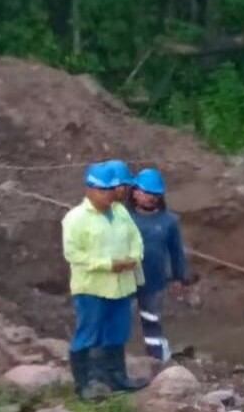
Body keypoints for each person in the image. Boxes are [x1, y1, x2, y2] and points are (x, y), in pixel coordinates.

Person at [61, 161, 144, 398]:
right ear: (89, 190)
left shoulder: (120, 212)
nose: (110, 194)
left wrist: (134, 258)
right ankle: (84, 384)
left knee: (117, 332)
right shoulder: (75, 218)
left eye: (112, 189)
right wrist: (108, 264)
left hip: (121, 286)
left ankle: (117, 377)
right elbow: (73, 254)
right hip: (93, 288)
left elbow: (135, 239)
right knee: (89, 332)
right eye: (104, 190)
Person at [129, 168, 191, 363]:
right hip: (124, 278)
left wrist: (179, 277)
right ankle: (116, 358)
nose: (150, 198)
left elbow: (176, 251)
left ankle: (157, 360)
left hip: (153, 280)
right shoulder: (123, 217)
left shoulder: (169, 221)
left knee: (151, 319)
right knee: (119, 319)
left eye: (155, 195)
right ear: (135, 192)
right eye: (146, 193)